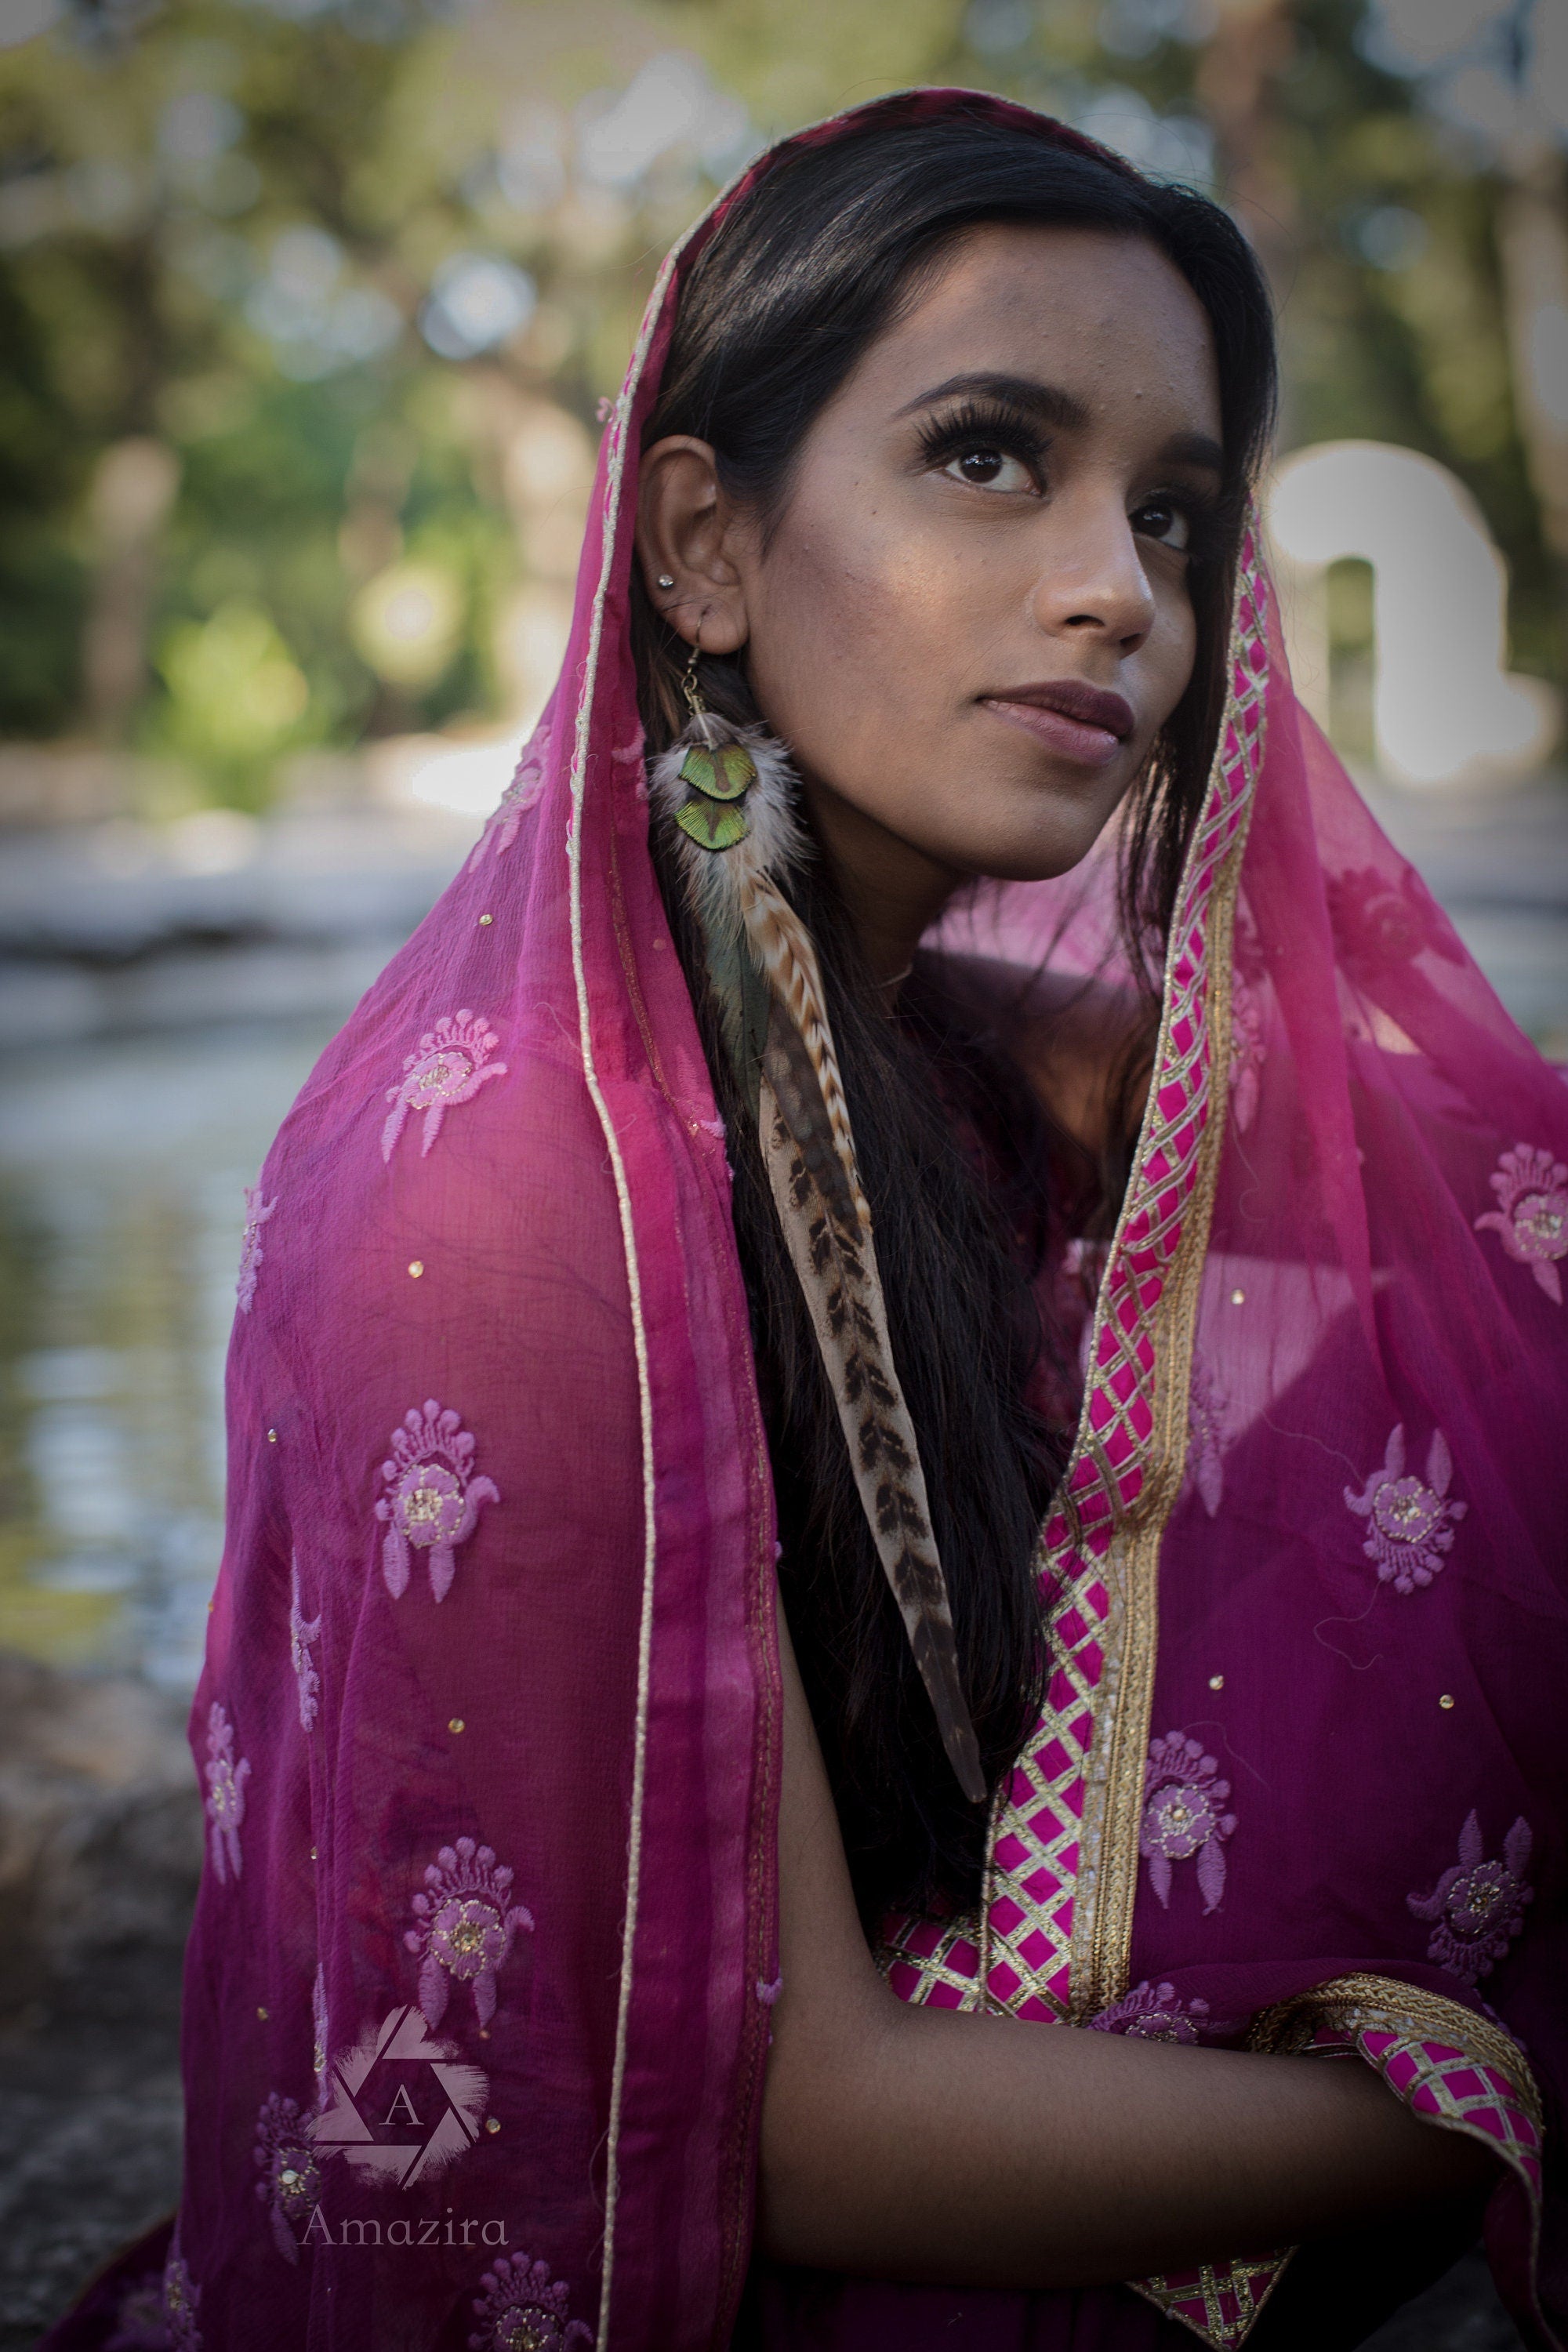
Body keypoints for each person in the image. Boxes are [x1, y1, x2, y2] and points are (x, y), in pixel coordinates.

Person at [43, 89, 1566, 2352]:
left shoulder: (905, 1043)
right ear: (701, 548)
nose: (1114, 591)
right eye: (986, 455)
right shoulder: (531, 1194)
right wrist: (1486, 2117)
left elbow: (1449, 1186)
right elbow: (791, 2122)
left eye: (1172, 514)